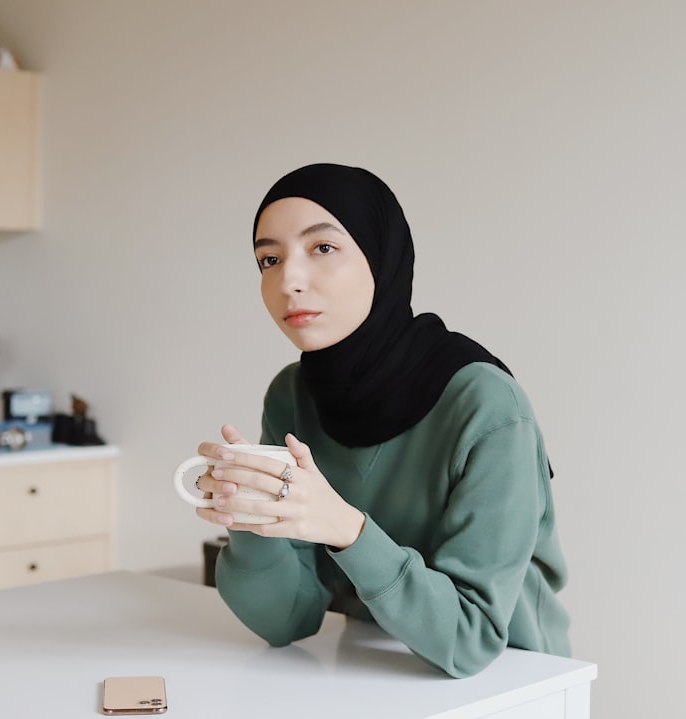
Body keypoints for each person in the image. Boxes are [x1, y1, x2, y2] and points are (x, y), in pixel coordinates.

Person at [193, 163, 570, 678]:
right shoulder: (293, 394)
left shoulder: (486, 404)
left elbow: (471, 639)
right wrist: (251, 516)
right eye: (269, 258)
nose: (289, 280)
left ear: (380, 255)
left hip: (515, 681)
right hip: (370, 674)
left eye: (322, 248)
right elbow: (287, 622)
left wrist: (345, 528)